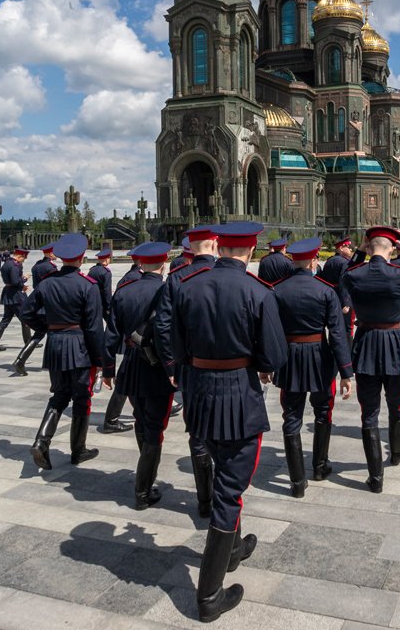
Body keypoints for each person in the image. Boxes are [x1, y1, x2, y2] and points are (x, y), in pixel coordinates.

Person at [171, 222, 287, 622]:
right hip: (238, 394)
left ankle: (234, 550)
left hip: (201, 393)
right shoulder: (258, 292)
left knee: (223, 473)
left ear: (219, 248)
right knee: (230, 491)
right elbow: (273, 356)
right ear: (251, 252)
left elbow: (176, 346)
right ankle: (208, 596)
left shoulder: (186, 286)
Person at [340, 226, 400, 492]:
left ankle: (376, 477)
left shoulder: (356, 274)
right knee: (396, 404)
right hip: (394, 343)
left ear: (368, 248)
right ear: (391, 248)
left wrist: (358, 251)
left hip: (366, 341)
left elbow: (342, 277)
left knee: (369, 413)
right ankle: (397, 453)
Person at [18, 233, 109, 469]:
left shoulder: (47, 283)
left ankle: (41, 442)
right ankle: (78, 450)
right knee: (81, 398)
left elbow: (26, 312)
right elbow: (93, 328)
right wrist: (100, 360)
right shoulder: (88, 286)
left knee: (59, 396)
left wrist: (47, 327)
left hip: (56, 345)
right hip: (79, 347)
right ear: (81, 257)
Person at [272, 237, 352, 495]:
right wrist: (345, 372)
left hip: (289, 356)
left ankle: (297, 482)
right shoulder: (325, 290)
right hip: (319, 355)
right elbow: (337, 334)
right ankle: (319, 466)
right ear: (314, 260)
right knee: (322, 411)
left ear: (292, 261)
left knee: (291, 416)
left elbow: (269, 330)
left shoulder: (277, 289)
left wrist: (267, 363)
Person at [152, 224, 218, 518]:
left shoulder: (177, 279)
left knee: (198, 434)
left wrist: (171, 364)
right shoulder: (229, 274)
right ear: (215, 244)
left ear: (190, 247)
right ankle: (224, 502)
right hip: (231, 371)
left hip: (190, 371)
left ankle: (205, 502)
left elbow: (162, 326)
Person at [108, 241, 174, 509]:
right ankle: (144, 490)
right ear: (164, 263)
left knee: (140, 419)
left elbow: (111, 334)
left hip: (132, 364)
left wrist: (107, 368)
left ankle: (146, 476)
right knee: (156, 428)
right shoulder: (168, 290)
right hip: (158, 367)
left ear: (140, 264)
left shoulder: (124, 291)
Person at [88, 247, 133, 434]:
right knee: (128, 377)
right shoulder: (105, 273)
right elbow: (107, 295)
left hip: (93, 308)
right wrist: (109, 314)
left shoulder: (92, 270)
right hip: (102, 310)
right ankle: (112, 419)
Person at [10, 243, 58, 376]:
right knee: (51, 333)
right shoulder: (50, 267)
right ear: (48, 253)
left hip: (38, 303)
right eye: (54, 252)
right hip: (47, 305)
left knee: (40, 333)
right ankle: (49, 363)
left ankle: (20, 361)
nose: (56, 254)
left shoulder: (37, 265)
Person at [0, 247, 32, 352]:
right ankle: (29, 342)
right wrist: (25, 278)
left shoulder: (7, 263)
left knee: (5, 320)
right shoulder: (14, 266)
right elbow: (16, 281)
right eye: (23, 259)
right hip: (15, 296)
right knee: (25, 319)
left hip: (9, 294)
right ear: (19, 256)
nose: (23, 261)